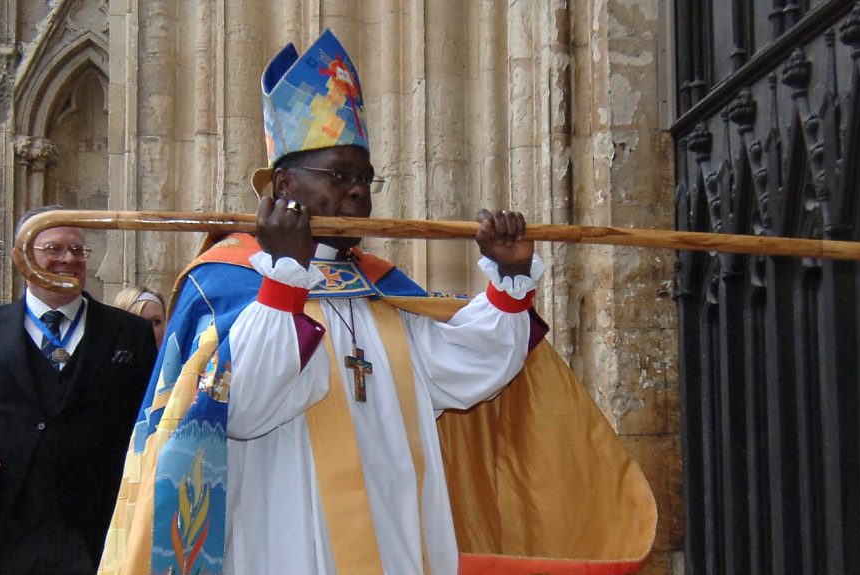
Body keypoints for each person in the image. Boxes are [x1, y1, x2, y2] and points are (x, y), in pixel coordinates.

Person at [101, 30, 655, 575]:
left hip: (399, 537)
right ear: (285, 188)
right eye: (340, 175)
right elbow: (241, 408)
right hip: (285, 537)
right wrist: (286, 278)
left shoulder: (378, 285)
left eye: (365, 177)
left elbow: (461, 367)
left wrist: (509, 280)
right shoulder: (227, 281)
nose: (359, 191)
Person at [0, 206, 158, 575]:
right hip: (1, 528)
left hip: (94, 531)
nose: (68, 260)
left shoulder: (129, 333)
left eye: (78, 250)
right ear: (21, 257)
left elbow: (147, 426)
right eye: (53, 248)